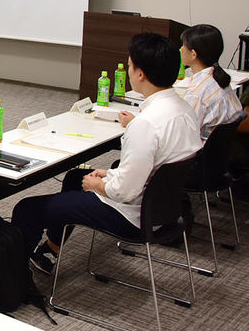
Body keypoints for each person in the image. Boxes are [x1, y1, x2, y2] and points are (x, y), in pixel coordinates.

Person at [12, 33, 202, 275]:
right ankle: (51, 249)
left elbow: (122, 192)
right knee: (73, 178)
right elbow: (154, 168)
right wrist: (109, 173)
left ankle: (15, 280)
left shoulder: (146, 125)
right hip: (164, 211)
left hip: (132, 216)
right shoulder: (185, 109)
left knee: (26, 209)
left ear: (140, 74)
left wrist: (98, 184)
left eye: (131, 65)